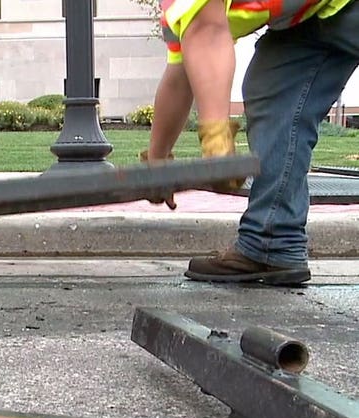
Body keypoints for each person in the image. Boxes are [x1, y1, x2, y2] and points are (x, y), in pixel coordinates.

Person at [146, 0, 357, 285]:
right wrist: (156, 164)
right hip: (315, 17)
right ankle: (272, 242)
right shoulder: (177, 12)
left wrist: (217, 143)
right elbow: (181, 72)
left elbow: (208, 31)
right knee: (276, 86)